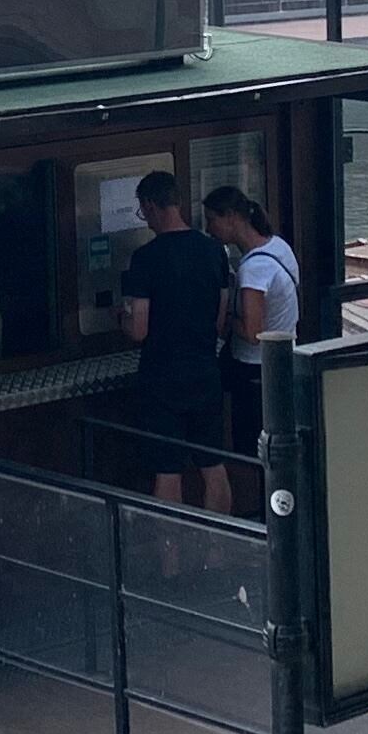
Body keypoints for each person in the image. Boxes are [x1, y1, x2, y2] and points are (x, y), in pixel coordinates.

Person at [119, 171, 238, 511]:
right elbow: (219, 320)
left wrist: (121, 318)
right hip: (205, 370)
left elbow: (139, 330)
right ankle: (219, 547)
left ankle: (172, 559)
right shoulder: (214, 251)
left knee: (167, 472)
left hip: (162, 376)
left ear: (150, 205)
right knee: (213, 466)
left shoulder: (146, 259)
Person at [205, 185, 299, 452]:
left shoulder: (254, 270)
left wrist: (222, 319)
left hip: (252, 369)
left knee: (248, 447)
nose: (209, 229)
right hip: (284, 361)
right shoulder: (279, 247)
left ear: (231, 217)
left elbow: (252, 331)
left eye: (212, 220)